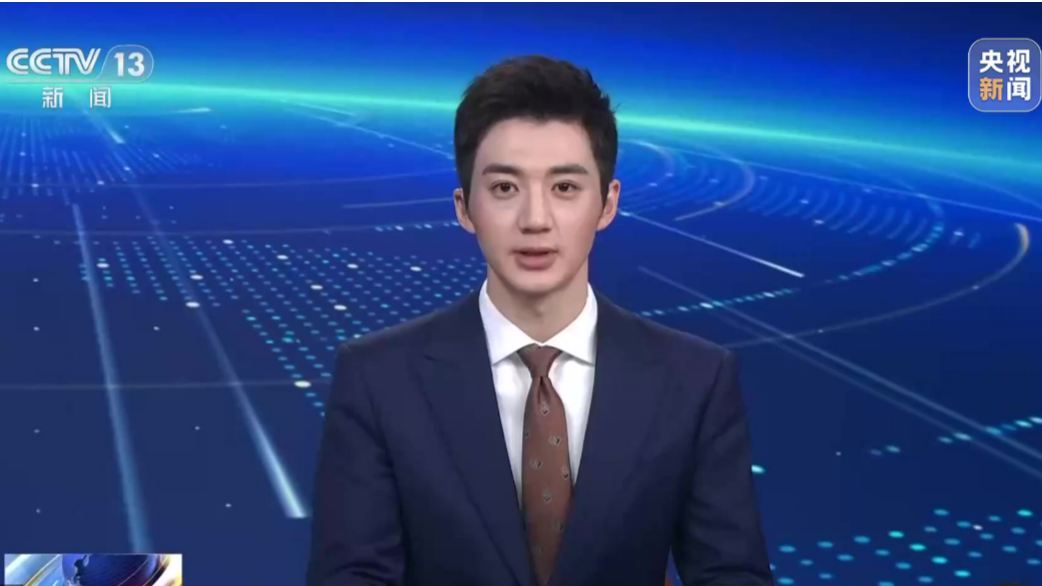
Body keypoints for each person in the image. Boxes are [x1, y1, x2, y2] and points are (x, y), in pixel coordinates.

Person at [306, 54, 773, 586]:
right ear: (464, 207)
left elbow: (731, 575)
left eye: (565, 188)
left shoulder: (695, 381)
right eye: (505, 188)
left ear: (607, 204)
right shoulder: (378, 380)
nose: (535, 220)